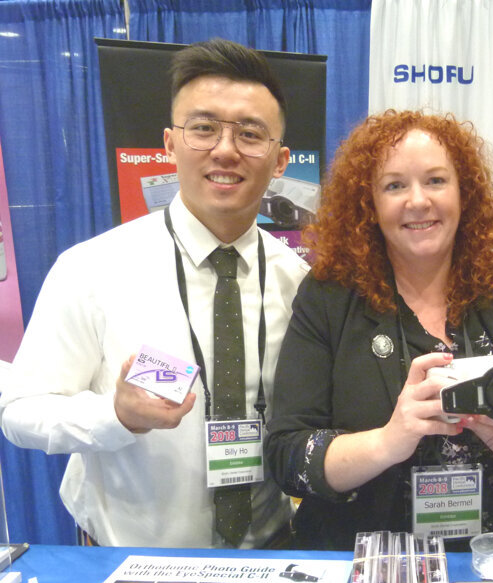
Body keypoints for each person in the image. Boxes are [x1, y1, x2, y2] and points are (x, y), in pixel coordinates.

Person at [0, 39, 306, 548]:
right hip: (128, 565)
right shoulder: (92, 269)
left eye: (250, 134)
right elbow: (19, 412)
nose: (226, 150)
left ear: (280, 161)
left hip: (270, 557)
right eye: (204, 128)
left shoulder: (298, 282)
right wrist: (115, 416)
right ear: (169, 143)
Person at [264, 110, 493, 551]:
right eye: (394, 185)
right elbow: (287, 454)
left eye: (436, 181)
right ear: (369, 206)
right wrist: (387, 442)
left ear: (464, 193)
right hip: (367, 570)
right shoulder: (328, 298)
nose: (418, 200)